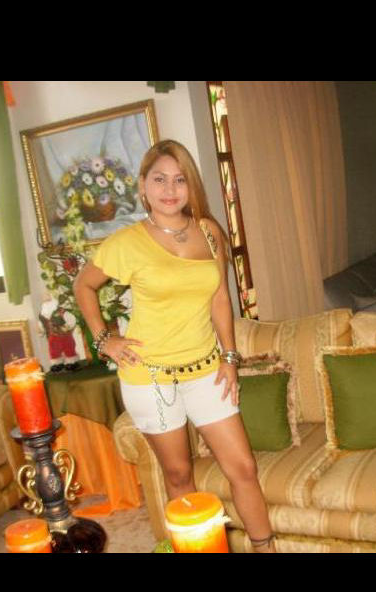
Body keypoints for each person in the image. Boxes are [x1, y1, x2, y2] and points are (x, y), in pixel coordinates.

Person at [73, 139, 276, 553]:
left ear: (190, 185)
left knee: (243, 467)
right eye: (159, 179)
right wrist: (104, 339)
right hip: (150, 376)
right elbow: (84, 285)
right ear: (143, 186)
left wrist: (230, 357)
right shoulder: (127, 242)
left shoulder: (210, 232)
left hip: (206, 370)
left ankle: (264, 546)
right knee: (180, 475)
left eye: (179, 179)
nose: (170, 189)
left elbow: (220, 298)